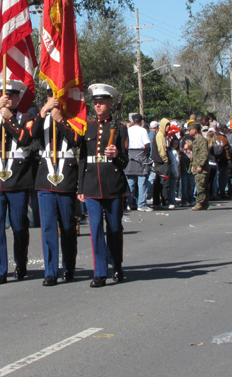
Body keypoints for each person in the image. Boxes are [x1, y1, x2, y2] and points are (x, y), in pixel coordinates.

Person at [0, 78, 35, 284]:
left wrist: (9, 117)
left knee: (19, 225)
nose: (8, 98)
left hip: (18, 178)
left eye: (12, 95)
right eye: (5, 95)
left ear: (18, 97)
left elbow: (25, 139)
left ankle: (21, 263)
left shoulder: (26, 117)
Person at [78, 84, 128, 287]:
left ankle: (116, 263)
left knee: (114, 228)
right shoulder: (86, 127)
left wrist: (117, 155)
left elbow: (125, 161)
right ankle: (99, 272)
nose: (97, 106)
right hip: (91, 185)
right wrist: (80, 187)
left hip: (113, 184)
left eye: (101, 102)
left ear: (110, 103)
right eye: (95, 102)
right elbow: (82, 159)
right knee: (95, 228)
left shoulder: (121, 128)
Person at [31, 91, 81, 286]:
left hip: (66, 176)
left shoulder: (72, 118)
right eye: (50, 98)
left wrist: (60, 119)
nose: (53, 102)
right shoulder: (41, 116)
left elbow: (76, 140)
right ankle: (50, 271)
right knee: (48, 227)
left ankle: (69, 266)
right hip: (45, 177)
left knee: (67, 226)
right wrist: (44, 111)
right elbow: (29, 135)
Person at [125, 113, 152, 212]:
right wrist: (146, 155)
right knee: (142, 182)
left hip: (130, 155)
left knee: (130, 182)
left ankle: (129, 204)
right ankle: (141, 204)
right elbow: (147, 145)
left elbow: (125, 143)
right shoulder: (143, 130)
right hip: (140, 155)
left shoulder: (128, 130)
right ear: (141, 122)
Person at [151, 118, 172, 208]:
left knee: (158, 182)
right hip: (162, 163)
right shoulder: (160, 135)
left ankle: (157, 202)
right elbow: (162, 149)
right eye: (167, 125)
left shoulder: (162, 134)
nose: (168, 127)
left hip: (159, 162)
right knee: (164, 182)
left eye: (169, 125)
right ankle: (164, 202)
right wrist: (166, 160)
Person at [189, 122, 209, 211]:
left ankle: (199, 202)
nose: (189, 132)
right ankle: (204, 203)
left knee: (200, 185)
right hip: (196, 165)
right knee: (201, 184)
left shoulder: (202, 140)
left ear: (195, 130)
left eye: (190, 130)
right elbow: (195, 155)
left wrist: (200, 165)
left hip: (201, 167)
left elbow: (204, 153)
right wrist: (193, 165)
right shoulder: (196, 141)